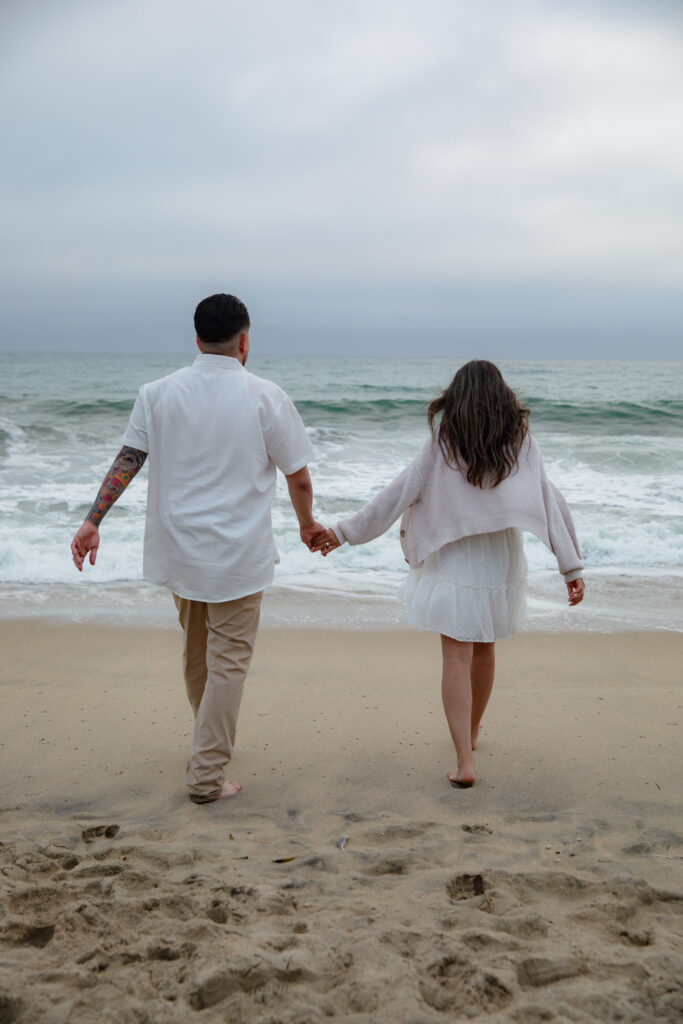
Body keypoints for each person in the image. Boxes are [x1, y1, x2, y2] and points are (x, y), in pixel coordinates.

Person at [71, 293, 325, 804]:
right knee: (228, 661)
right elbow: (297, 477)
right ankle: (207, 775)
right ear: (244, 340)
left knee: (197, 657)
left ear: (196, 338)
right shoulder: (265, 396)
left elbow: (127, 460)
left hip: (180, 549)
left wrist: (91, 520)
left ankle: (207, 740)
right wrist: (307, 525)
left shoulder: (157, 392)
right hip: (237, 554)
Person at [314, 360, 584, 788]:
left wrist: (343, 532)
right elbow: (549, 501)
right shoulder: (520, 440)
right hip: (499, 557)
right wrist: (570, 565)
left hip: (455, 558)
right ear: (503, 398)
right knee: (484, 649)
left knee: (455, 657)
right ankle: (472, 733)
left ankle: (464, 761)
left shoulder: (444, 441)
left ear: (455, 399)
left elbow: (398, 492)